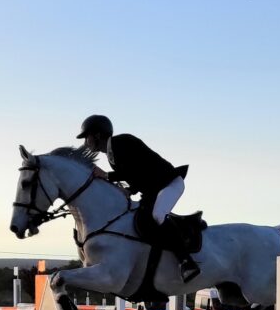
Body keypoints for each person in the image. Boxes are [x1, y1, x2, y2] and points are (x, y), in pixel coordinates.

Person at [76, 114, 200, 282]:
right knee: (138, 219)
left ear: (97, 135)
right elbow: (139, 176)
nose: (85, 143)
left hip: (169, 184)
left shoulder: (122, 142)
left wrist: (107, 175)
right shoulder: (112, 154)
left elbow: (135, 170)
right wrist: (130, 190)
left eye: (86, 137)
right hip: (153, 190)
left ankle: (186, 261)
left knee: (157, 215)